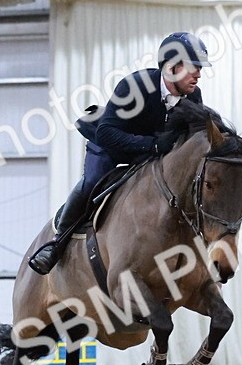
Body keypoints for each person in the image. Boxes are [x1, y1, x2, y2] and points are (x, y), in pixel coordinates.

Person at [28, 32, 211, 275]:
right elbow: (107, 133)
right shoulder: (135, 86)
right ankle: (57, 243)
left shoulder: (193, 96)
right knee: (92, 182)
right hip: (110, 146)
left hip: (147, 155)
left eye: (199, 68)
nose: (199, 74)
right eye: (193, 67)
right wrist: (154, 145)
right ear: (171, 68)